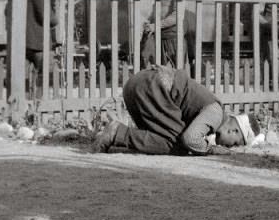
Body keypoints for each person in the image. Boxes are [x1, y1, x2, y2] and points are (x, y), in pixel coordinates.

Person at [93, 64, 262, 155]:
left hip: (136, 85)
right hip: (152, 87)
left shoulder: (214, 111)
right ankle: (117, 132)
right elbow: (190, 139)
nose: (229, 146)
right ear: (234, 130)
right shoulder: (216, 113)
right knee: (178, 145)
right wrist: (210, 149)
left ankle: (118, 137)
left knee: (163, 139)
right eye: (233, 144)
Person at [141, 0, 192, 69]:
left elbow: (176, 16)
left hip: (173, 40)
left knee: (175, 74)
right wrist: (149, 21)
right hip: (160, 37)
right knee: (161, 74)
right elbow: (157, 12)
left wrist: (155, 26)